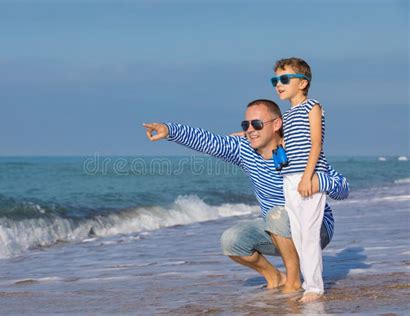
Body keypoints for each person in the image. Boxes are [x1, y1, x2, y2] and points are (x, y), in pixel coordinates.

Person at [143, 99, 349, 302]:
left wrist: (318, 181)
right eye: (246, 125)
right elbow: (209, 142)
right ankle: (276, 277)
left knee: (277, 215)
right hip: (276, 228)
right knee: (232, 240)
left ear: (277, 124)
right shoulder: (245, 150)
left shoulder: (298, 150)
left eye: (257, 124)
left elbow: (342, 187)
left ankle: (294, 282)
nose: (250, 129)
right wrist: (169, 130)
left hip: (315, 228)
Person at [271, 57, 329, 302]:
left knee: (309, 231)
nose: (278, 84)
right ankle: (309, 283)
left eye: (284, 79)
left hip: (309, 176)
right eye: (275, 80)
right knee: (297, 233)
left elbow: (316, 143)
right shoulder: (288, 114)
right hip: (290, 178)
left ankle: (315, 288)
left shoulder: (312, 106)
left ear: (303, 83)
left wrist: (307, 178)